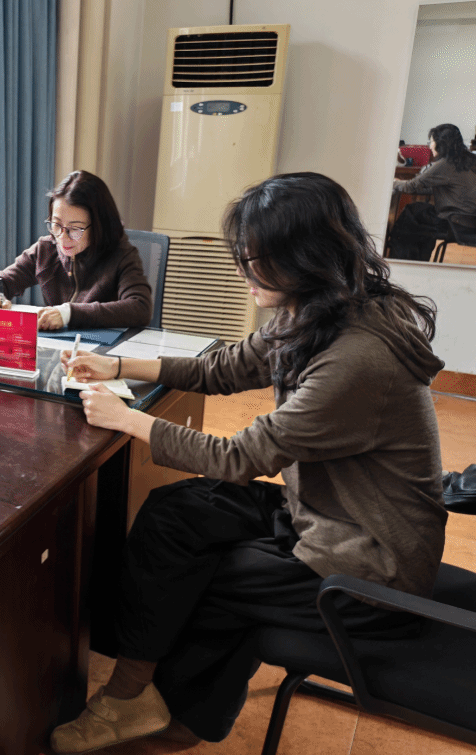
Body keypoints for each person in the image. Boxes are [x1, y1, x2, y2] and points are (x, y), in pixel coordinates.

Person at [51, 172, 446, 753]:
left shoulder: (357, 358)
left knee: (209, 573)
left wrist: (127, 418)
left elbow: (240, 456)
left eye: (256, 259)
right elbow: (225, 366)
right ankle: (143, 692)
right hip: (322, 511)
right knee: (173, 513)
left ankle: (155, 708)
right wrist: (120, 367)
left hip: (367, 563)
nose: (244, 271)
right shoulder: (321, 309)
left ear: (305, 257)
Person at [0, 170, 153, 331]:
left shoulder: (122, 255)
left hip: (102, 351)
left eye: (75, 229)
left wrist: (69, 313)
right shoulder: (45, 249)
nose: (62, 238)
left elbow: (140, 307)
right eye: (56, 224)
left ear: (98, 226)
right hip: (61, 346)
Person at [389, 123, 476, 260]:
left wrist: (393, 182)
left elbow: (411, 186)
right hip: (470, 223)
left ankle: (401, 259)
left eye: (432, 142)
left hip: (455, 223)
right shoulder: (470, 159)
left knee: (412, 212)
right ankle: (416, 259)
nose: (430, 146)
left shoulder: (446, 163)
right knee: (421, 214)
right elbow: (446, 188)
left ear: (441, 143)